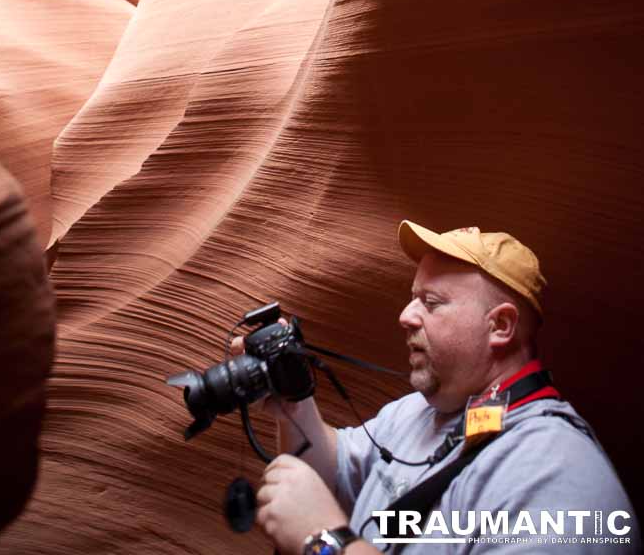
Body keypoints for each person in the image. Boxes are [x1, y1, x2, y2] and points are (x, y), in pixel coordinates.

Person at [236, 222, 641, 555]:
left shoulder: (553, 473)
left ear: (500, 326)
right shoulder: (418, 412)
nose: (405, 316)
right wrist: (294, 399)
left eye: (430, 302)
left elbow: (322, 518)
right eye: (412, 298)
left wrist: (325, 541)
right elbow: (333, 476)